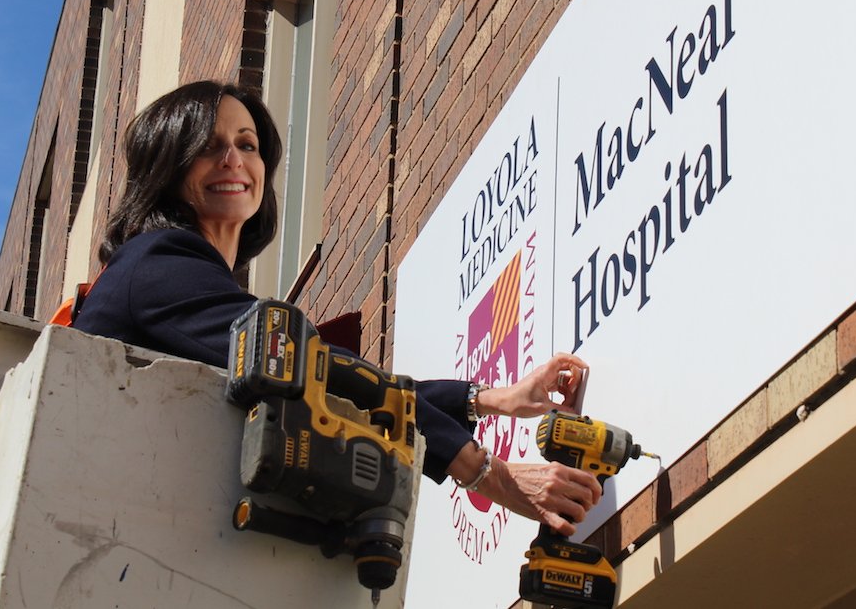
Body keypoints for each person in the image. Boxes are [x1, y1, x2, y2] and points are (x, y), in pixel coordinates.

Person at [72, 81, 601, 534]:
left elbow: (336, 380)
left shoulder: (173, 274)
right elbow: (320, 373)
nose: (233, 159)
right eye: (209, 147)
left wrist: (491, 399)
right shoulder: (158, 261)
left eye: (247, 144)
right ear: (167, 167)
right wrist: (492, 476)